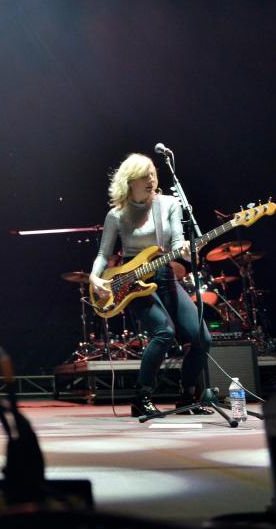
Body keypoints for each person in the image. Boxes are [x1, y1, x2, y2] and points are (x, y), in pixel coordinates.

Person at [88, 153, 212, 416]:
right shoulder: (117, 214)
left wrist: (188, 252)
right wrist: (94, 278)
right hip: (131, 281)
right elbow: (103, 255)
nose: (152, 180)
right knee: (164, 333)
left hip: (164, 274)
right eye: (145, 176)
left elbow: (178, 243)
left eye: (154, 174)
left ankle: (187, 395)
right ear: (130, 181)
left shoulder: (169, 203)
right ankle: (141, 397)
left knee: (202, 338)